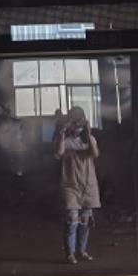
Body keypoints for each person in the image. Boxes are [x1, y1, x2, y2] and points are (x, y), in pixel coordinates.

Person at [55, 106, 100, 264]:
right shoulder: (65, 141)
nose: (77, 128)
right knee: (72, 220)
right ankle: (70, 253)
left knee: (85, 220)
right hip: (70, 184)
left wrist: (89, 132)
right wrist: (62, 133)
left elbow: (95, 154)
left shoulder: (90, 140)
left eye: (79, 124)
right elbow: (59, 153)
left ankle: (82, 250)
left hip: (88, 184)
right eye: (74, 124)